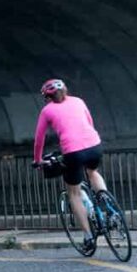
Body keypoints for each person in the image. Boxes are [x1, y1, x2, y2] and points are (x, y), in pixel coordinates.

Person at [33, 79, 108, 255]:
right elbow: (89, 122)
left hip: (73, 152)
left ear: (47, 96)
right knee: (92, 172)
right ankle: (108, 207)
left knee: (73, 193)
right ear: (65, 90)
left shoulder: (47, 111)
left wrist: (38, 160)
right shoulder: (78, 101)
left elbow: (39, 139)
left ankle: (88, 236)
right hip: (94, 145)